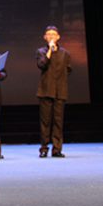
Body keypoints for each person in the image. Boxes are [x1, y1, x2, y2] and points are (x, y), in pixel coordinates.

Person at [36, 25, 71, 158]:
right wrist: (50, 51)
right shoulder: (41, 51)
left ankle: (57, 149)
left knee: (58, 122)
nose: (51, 36)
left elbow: (68, 69)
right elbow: (42, 64)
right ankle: (44, 148)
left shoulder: (65, 53)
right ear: (45, 37)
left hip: (60, 91)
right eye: (49, 34)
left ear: (58, 37)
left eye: (53, 34)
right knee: (45, 122)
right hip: (45, 91)